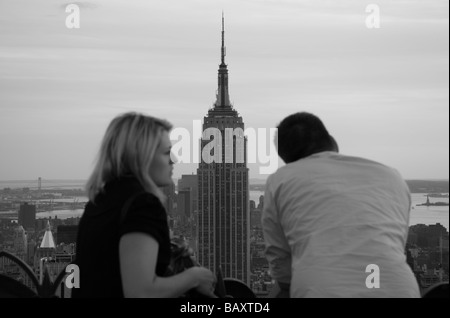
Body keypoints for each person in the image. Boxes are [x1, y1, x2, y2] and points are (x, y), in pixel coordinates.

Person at [262, 112, 420, 298]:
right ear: (332, 141)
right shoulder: (392, 176)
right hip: (399, 288)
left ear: (287, 160)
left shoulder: (281, 180)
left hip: (321, 291)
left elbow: (279, 260)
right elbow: (392, 243)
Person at [72, 112, 216, 298]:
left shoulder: (100, 200)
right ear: (142, 157)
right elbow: (141, 292)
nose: (174, 160)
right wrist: (194, 277)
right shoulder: (143, 204)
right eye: (166, 152)